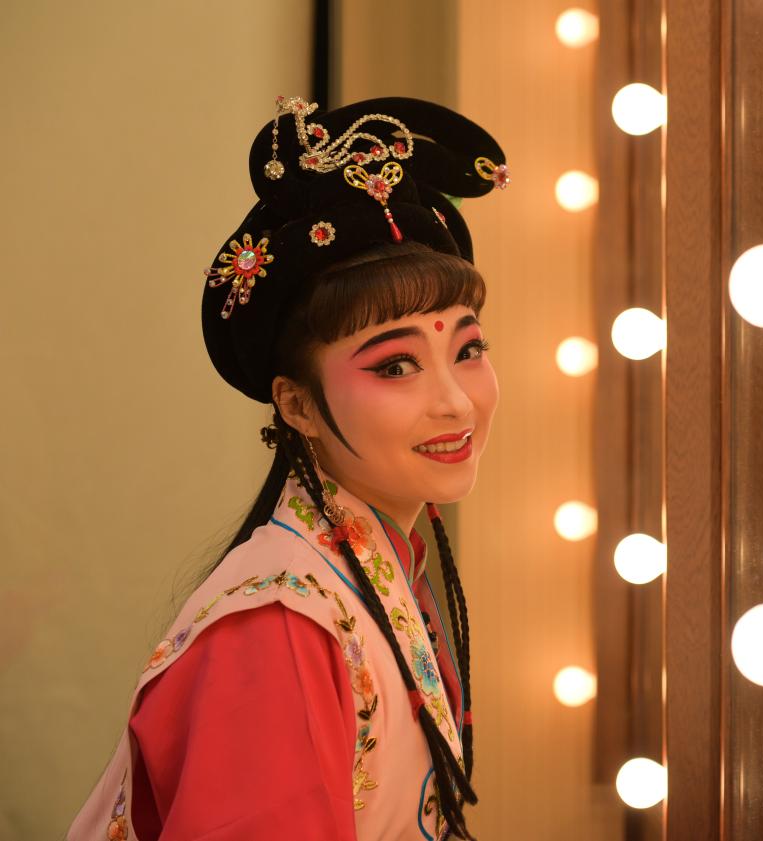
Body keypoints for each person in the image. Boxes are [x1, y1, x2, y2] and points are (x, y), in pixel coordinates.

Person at [67, 95, 510, 841]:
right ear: (297, 405)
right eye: (395, 365)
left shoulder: (378, 567)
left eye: (468, 349)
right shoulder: (279, 624)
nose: (456, 402)